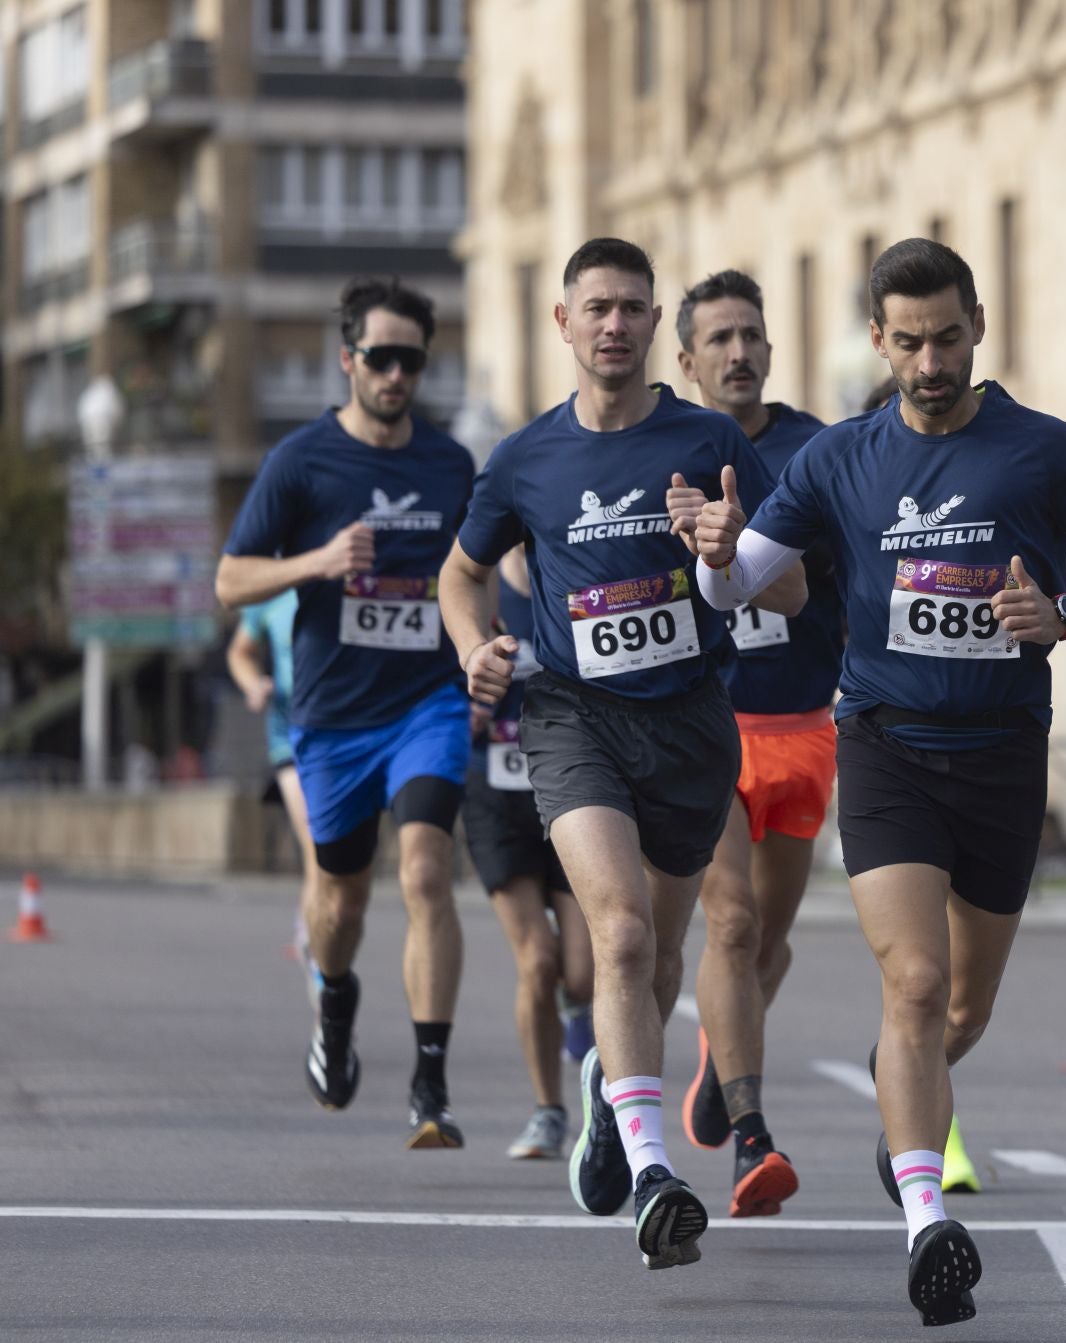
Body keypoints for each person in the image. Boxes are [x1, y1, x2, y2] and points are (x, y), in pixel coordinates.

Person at [689, 237, 1066, 1326]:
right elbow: (737, 591)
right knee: (911, 980)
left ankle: (903, 1086)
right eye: (909, 342)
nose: (931, 360)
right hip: (886, 745)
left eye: (948, 336)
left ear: (978, 325)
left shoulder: (1041, 448)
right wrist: (716, 553)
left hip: (1003, 756)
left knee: (959, 1005)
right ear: (877, 343)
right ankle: (926, 1221)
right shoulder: (838, 459)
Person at [437, 237, 806, 1270]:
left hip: (690, 721)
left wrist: (732, 548)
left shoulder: (709, 439)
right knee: (622, 933)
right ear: (564, 323)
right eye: (595, 306)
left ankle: (613, 1096)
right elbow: (458, 578)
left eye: (632, 308)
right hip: (570, 716)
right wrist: (476, 650)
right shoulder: (524, 459)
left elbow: (793, 591)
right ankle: (653, 1170)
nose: (613, 324)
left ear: (653, 327)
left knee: (661, 961)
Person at [216, 275, 476, 1149]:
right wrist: (318, 561)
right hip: (333, 718)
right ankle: (334, 1002)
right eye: (380, 357)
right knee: (341, 900)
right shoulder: (302, 461)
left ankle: (430, 1086)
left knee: (428, 872)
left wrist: (484, 649)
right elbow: (229, 580)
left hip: (427, 704)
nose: (396, 374)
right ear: (347, 359)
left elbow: (469, 576)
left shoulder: (449, 464)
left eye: (410, 358)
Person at [670, 270, 839, 1219]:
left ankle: (719, 1049)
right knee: (729, 924)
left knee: (765, 944)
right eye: (720, 339)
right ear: (687, 360)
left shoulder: (818, 450)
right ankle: (751, 1135)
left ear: (771, 350)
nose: (739, 352)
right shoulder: (667, 451)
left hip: (805, 723)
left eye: (753, 335)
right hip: (709, 724)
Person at [460, 544, 596, 1160]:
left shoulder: (572, 576)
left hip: (571, 790)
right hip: (496, 795)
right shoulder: (477, 588)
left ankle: (578, 1014)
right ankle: (548, 1112)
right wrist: (463, 704)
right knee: (537, 963)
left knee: (583, 972)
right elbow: (442, 673)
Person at [226, 589, 322, 995]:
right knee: (318, 843)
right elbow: (240, 652)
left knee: (342, 858)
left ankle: (316, 927)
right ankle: (316, 950)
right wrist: (255, 685)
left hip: (345, 730)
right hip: (290, 735)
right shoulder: (273, 588)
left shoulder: (347, 572)